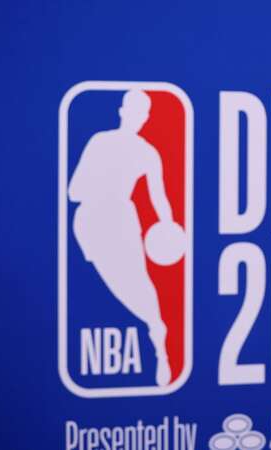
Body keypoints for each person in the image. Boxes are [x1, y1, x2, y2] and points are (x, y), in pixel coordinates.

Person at [68, 89, 174, 386]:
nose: (138, 117)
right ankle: (156, 332)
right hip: (89, 223)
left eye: (143, 112)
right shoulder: (99, 141)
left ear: (146, 117)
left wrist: (169, 227)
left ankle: (160, 346)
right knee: (107, 285)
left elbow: (160, 198)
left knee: (139, 284)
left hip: (122, 222)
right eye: (134, 110)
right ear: (122, 111)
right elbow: (73, 190)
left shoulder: (148, 153)